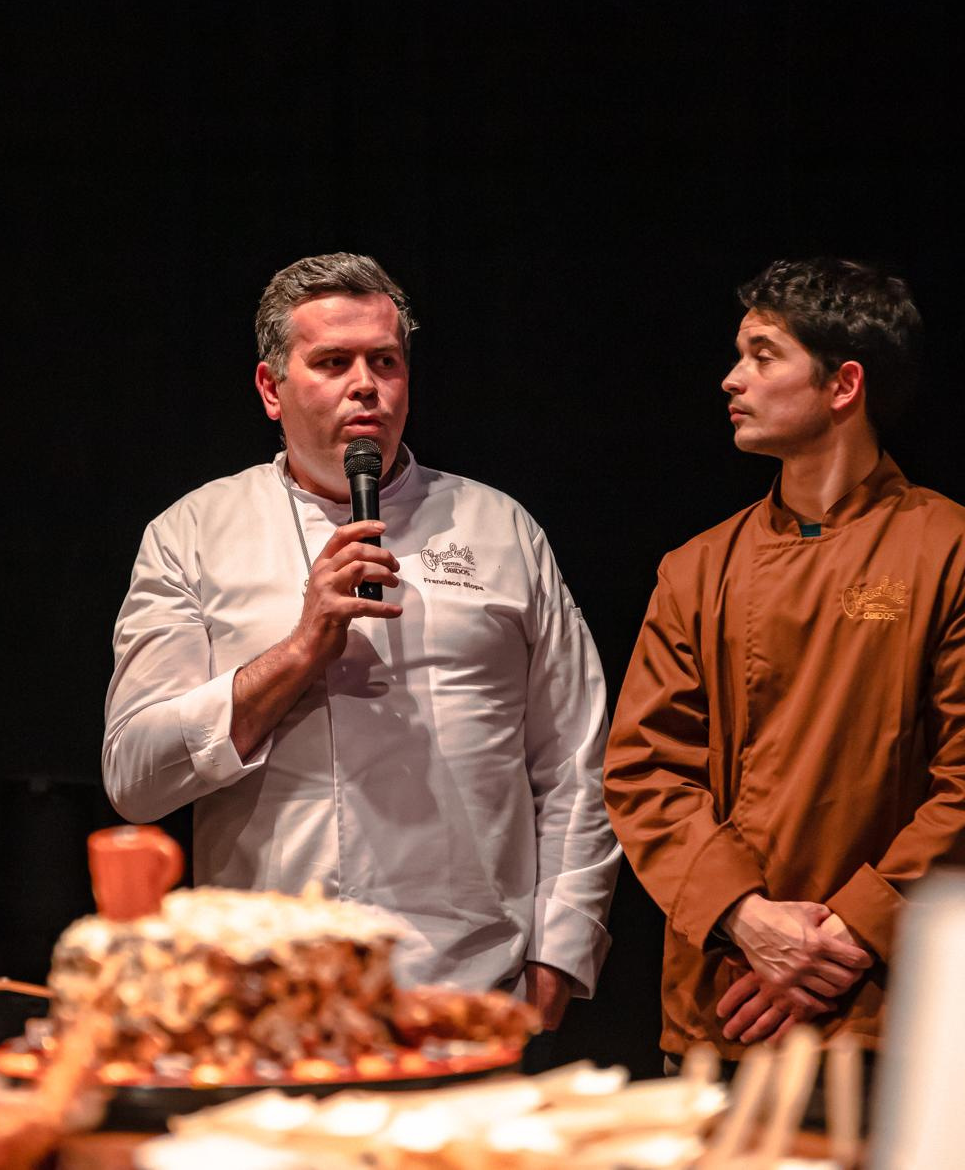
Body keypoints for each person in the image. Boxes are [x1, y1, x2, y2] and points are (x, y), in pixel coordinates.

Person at [103, 252, 619, 1027]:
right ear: (271, 388)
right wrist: (298, 651)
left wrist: (558, 959)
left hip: (470, 987)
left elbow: (577, 759)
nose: (365, 384)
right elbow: (135, 775)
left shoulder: (500, 528)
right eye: (332, 362)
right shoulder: (194, 533)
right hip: (267, 994)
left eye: (385, 361)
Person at [604, 257, 965, 1061]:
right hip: (726, 993)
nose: (732, 379)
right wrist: (748, 919)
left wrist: (844, 936)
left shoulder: (961, 552)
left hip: (882, 999)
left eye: (763, 355)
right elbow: (644, 770)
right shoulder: (697, 567)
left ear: (843, 384)